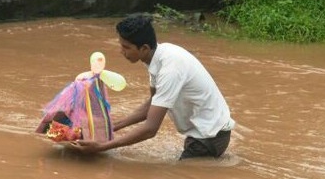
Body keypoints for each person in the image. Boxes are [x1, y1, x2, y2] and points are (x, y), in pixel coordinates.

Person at [67, 14, 235, 159]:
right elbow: (152, 103)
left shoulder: (170, 69)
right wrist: (111, 126)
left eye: (126, 47)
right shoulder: (157, 57)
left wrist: (102, 146)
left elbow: (150, 129)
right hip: (205, 133)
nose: (121, 51)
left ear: (144, 48)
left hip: (209, 137)